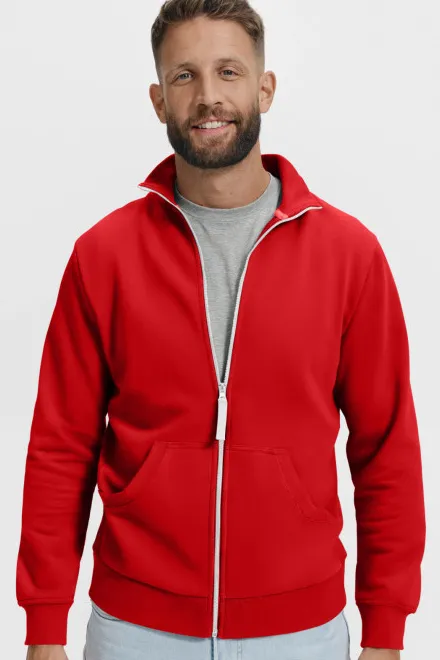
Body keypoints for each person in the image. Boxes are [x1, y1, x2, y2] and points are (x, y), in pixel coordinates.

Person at [17, 1, 426, 659]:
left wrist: (386, 629)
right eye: (184, 76)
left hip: (301, 632)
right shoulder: (104, 256)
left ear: (264, 88)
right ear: (159, 100)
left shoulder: (349, 256)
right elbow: (61, 446)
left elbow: (387, 449)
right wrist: (43, 625)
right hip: (134, 629)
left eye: (228, 71)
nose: (208, 95)